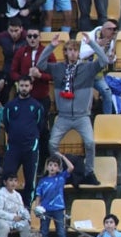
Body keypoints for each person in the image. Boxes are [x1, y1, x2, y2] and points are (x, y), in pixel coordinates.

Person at [37, 32, 108, 182]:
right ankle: (61, 170)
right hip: (63, 116)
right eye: (69, 50)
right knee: (52, 143)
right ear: (66, 52)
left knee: (90, 143)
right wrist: (51, 46)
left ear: (79, 52)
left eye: (75, 50)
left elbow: (104, 60)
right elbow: (40, 65)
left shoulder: (88, 68)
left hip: (82, 116)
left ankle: (89, 172)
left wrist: (92, 44)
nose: (72, 53)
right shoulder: (57, 68)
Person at [0, 74, 45, 202]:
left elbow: (40, 125)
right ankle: (5, 206)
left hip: (30, 147)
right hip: (13, 147)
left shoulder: (37, 106)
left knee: (30, 180)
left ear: (31, 87)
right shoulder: (10, 106)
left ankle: (27, 209)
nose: (24, 88)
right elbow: (7, 124)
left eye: (26, 86)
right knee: (7, 176)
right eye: (21, 85)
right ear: (17, 86)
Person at [32, 152, 72, 237]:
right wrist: (37, 208)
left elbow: (71, 167)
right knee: (44, 231)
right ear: (47, 167)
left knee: (61, 231)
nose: (52, 167)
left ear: (58, 168)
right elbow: (38, 196)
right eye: (50, 165)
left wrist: (62, 156)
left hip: (58, 209)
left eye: (55, 165)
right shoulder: (42, 181)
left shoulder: (61, 177)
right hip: (45, 209)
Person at [0, 171, 31, 237]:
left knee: (25, 225)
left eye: (15, 180)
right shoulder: (1, 193)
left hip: (15, 220)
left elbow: (22, 209)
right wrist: (12, 217)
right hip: (1, 219)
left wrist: (25, 217)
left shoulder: (17, 195)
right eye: (11, 180)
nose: (13, 183)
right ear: (5, 182)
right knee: (4, 227)